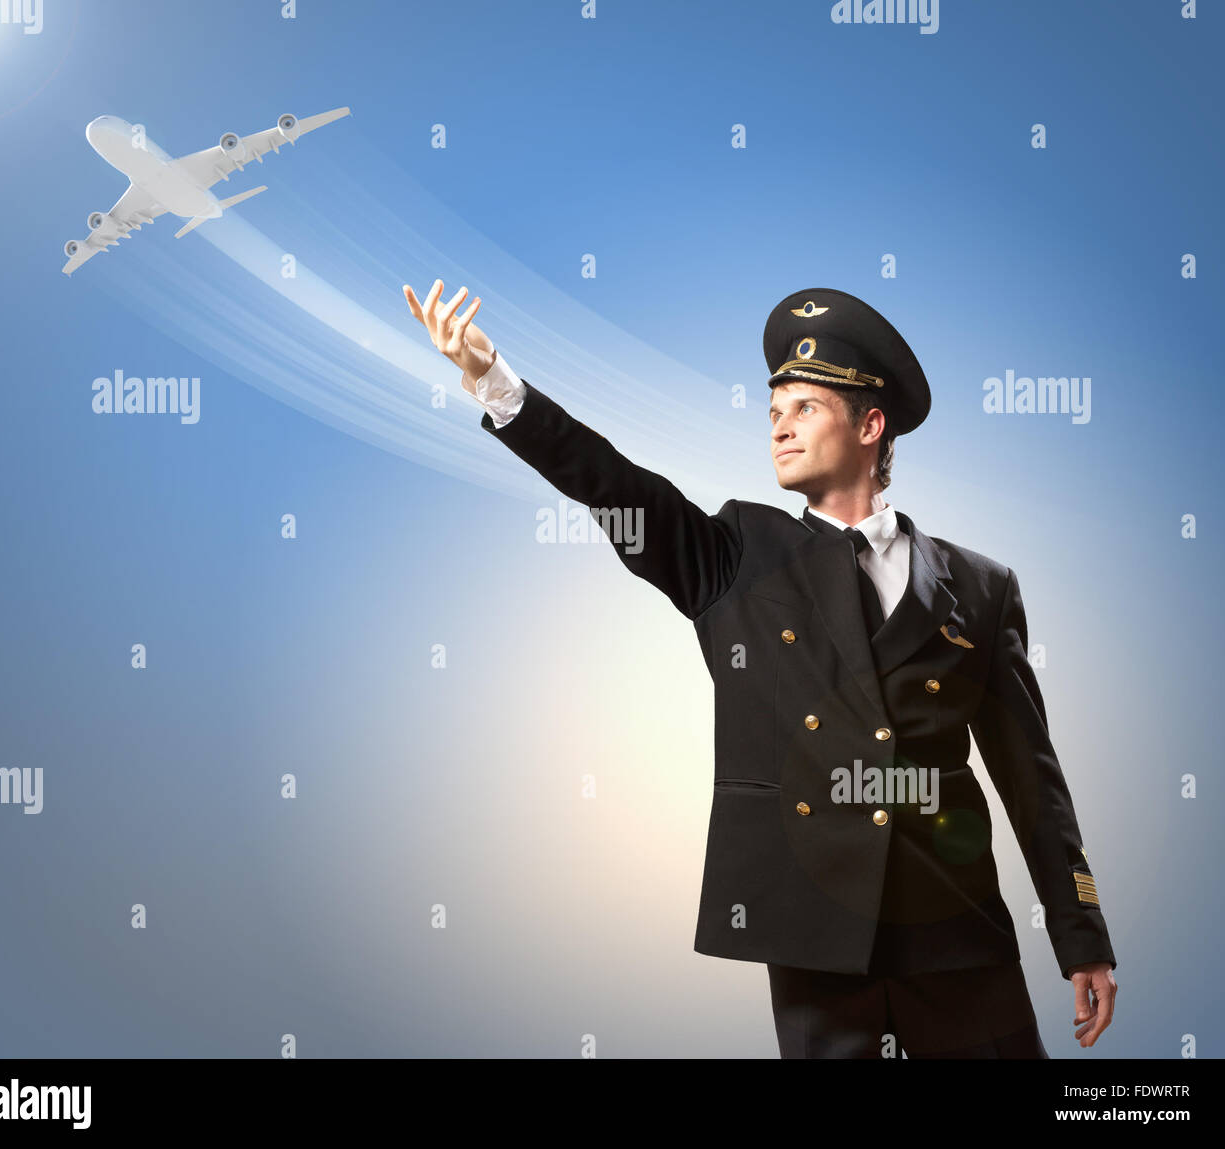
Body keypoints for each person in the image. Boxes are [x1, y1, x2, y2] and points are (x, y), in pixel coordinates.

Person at [404, 279, 1118, 1058]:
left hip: (956, 929)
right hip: (814, 937)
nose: (779, 426)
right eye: (774, 410)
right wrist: (496, 383)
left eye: (804, 408)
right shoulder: (736, 554)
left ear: (871, 425)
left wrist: (1082, 933)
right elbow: (612, 485)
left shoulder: (981, 586)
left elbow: (1033, 783)